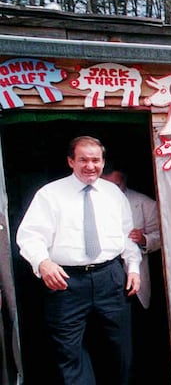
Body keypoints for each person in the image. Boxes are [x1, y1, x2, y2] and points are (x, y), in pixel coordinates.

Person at [16, 136, 141, 384]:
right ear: (70, 161)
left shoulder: (113, 193)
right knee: (68, 352)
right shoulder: (50, 195)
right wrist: (43, 262)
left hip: (111, 277)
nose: (90, 165)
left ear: (103, 162)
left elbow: (127, 235)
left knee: (119, 350)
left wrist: (133, 268)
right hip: (66, 282)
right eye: (83, 159)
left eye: (95, 160)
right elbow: (29, 236)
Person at [101, 164, 171, 384]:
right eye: (108, 184)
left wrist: (144, 240)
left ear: (125, 181)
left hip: (135, 278)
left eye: (118, 184)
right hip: (104, 279)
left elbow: (164, 235)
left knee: (137, 333)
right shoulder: (92, 203)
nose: (114, 189)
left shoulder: (143, 203)